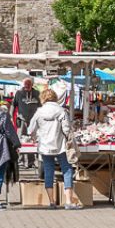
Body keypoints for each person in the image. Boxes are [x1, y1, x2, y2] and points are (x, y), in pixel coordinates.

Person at [28, 81, 78, 209]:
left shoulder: (39, 112)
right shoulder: (61, 111)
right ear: (55, 98)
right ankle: (68, 201)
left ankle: (51, 201)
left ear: (43, 98)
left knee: (49, 171)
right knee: (66, 170)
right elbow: (66, 128)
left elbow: (30, 130)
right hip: (60, 145)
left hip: (45, 146)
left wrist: (35, 137)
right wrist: (68, 138)